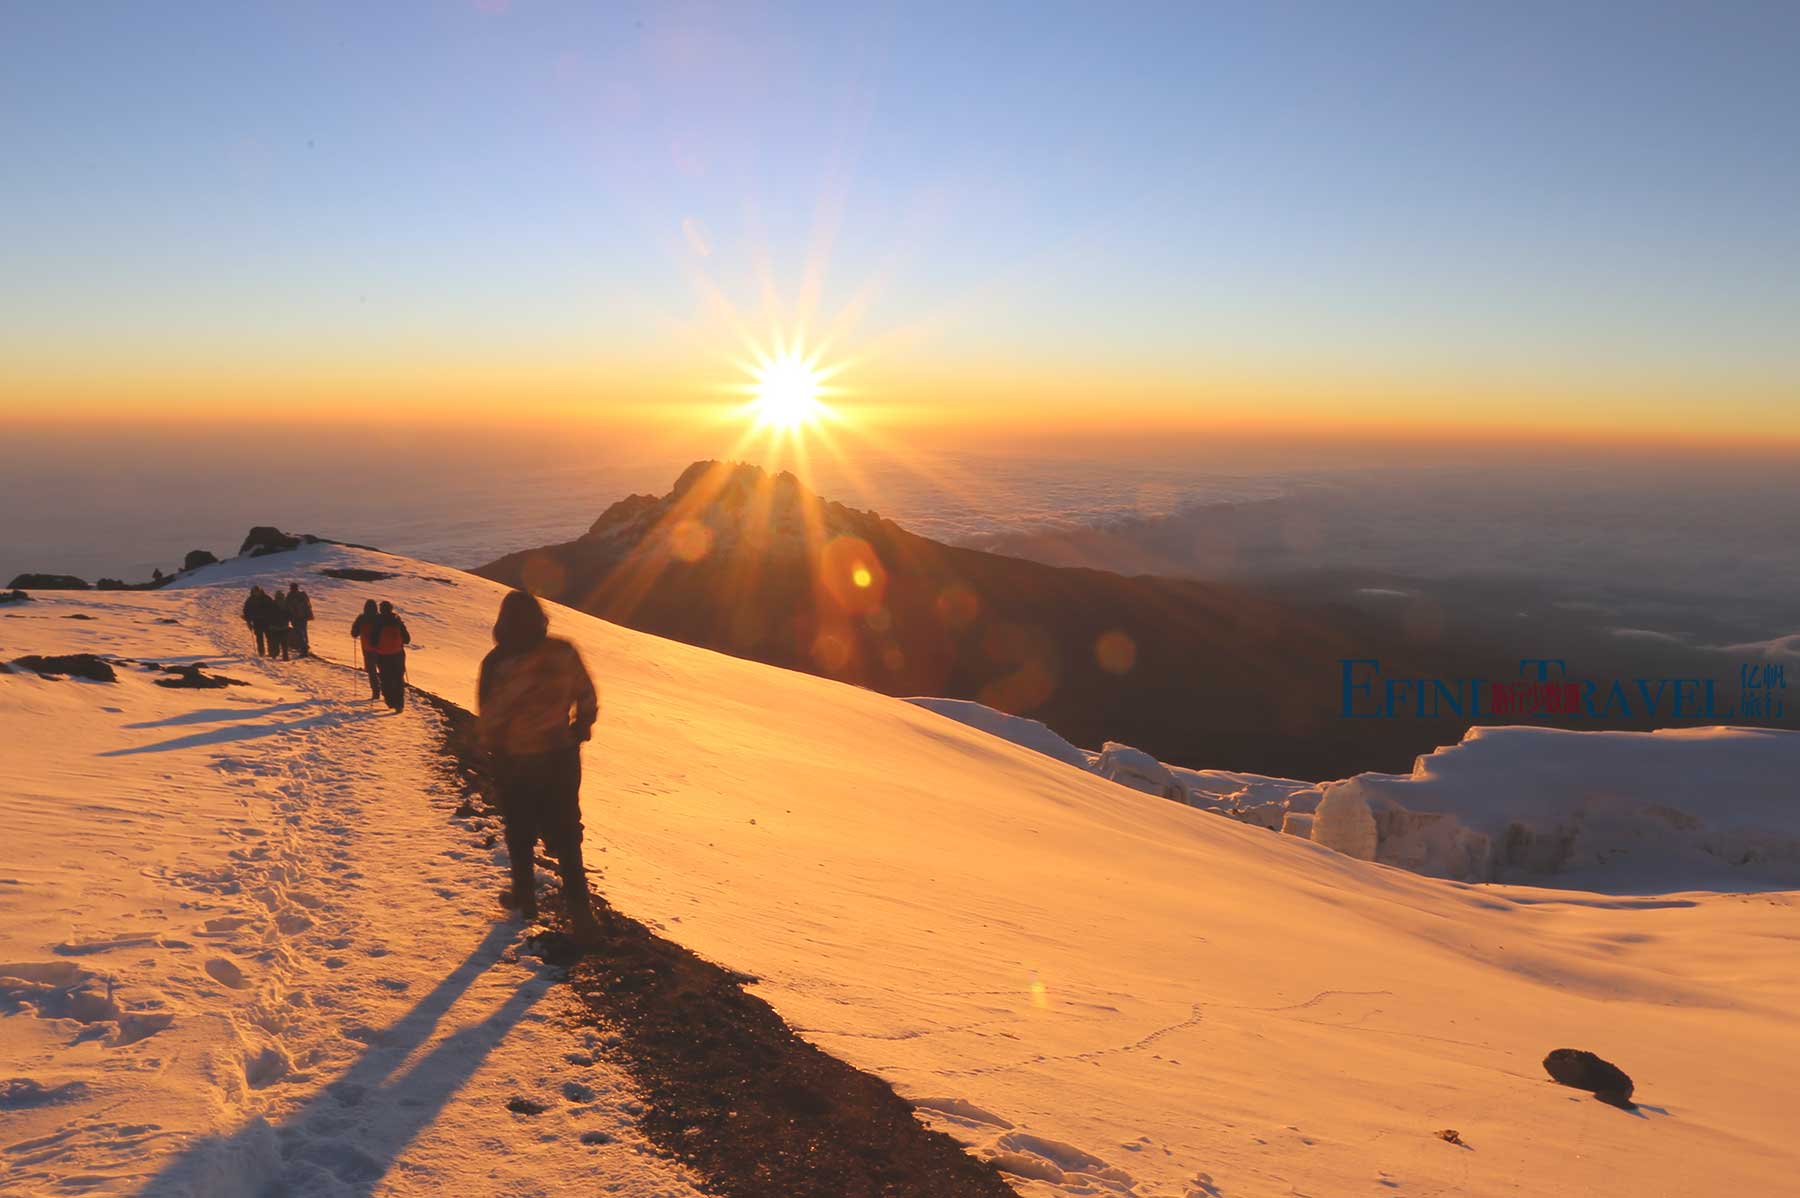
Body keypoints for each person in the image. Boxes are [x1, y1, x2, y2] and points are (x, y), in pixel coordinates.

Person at [477, 590, 603, 943]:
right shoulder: (562, 651)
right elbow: (587, 694)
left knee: (519, 829)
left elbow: (488, 715)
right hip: (561, 755)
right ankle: (581, 915)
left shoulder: (497, 662)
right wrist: (580, 728)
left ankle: (525, 898)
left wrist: (493, 751)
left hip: (515, 760)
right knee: (566, 831)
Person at [369, 600, 411, 711]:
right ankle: (400, 704)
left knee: (385, 678)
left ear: (380, 610)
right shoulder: (397, 621)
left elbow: (373, 641)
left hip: (383, 655)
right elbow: (407, 639)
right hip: (398, 654)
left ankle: (390, 702)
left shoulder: (377, 622)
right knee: (398, 678)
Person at [350, 600, 381, 699]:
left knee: (372, 671)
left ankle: (375, 692)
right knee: (383, 670)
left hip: (367, 649)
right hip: (381, 649)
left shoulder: (362, 618)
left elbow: (354, 633)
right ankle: (386, 690)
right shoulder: (379, 618)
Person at [284, 582, 315, 656]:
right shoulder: (302, 595)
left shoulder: (290, 596)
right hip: (303, 617)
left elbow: (287, 608)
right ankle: (305, 647)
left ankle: (304, 649)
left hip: (296, 618)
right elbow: (308, 606)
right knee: (303, 632)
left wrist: (288, 618)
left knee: (299, 633)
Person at [261, 590, 291, 660]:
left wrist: (269, 623)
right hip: (284, 626)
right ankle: (285, 656)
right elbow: (290, 614)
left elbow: (268, 615)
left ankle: (275, 655)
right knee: (284, 643)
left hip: (274, 627)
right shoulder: (286, 604)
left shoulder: (272, 604)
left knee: (275, 642)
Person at [242, 586, 271, 655]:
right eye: (255, 591)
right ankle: (261, 652)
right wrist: (248, 620)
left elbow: (246, 610)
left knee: (268, 637)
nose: (256, 593)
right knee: (260, 637)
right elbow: (246, 611)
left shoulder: (252, 599)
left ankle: (270, 652)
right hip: (257, 621)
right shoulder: (265, 598)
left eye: (257, 591)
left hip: (265, 621)